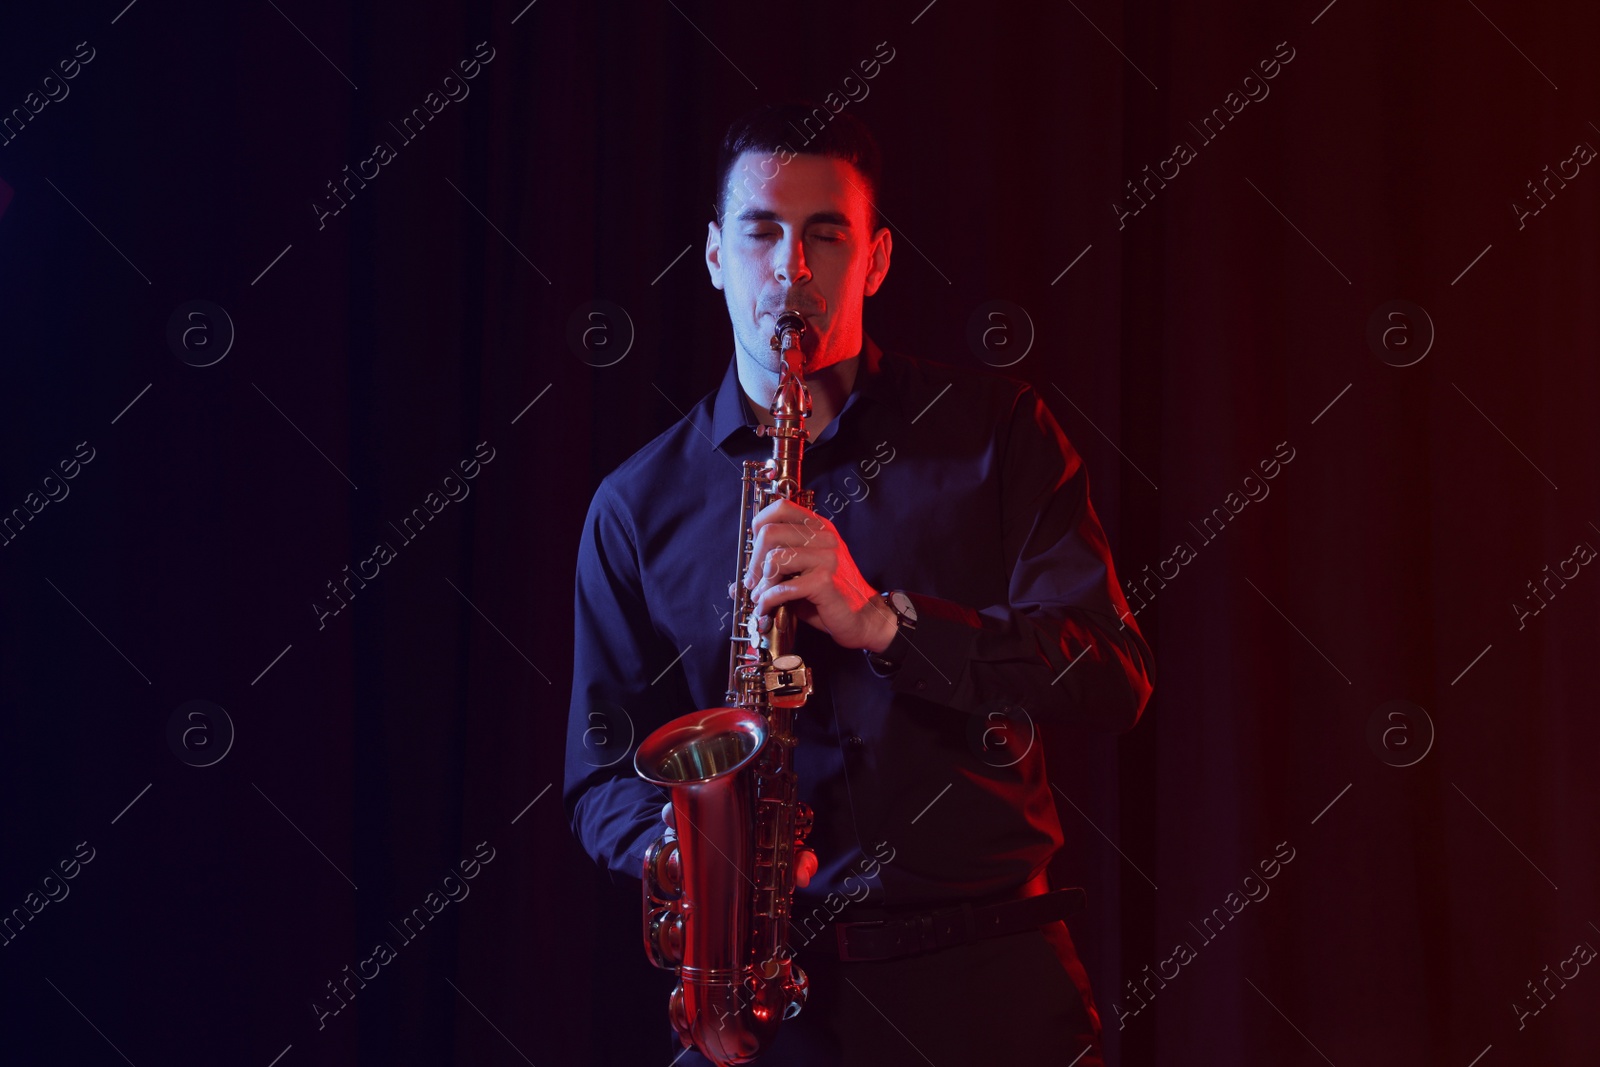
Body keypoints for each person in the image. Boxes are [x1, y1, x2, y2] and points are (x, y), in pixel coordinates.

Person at [564, 102, 1154, 1065]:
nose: (791, 270)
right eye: (760, 232)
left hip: (988, 988)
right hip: (765, 1001)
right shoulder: (636, 506)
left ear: (875, 260)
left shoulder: (997, 433)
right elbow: (599, 771)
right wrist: (687, 854)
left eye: (824, 235)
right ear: (714, 255)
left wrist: (886, 622)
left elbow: (1113, 673)